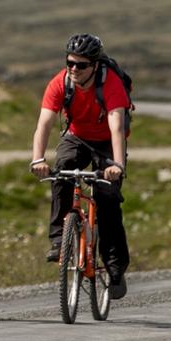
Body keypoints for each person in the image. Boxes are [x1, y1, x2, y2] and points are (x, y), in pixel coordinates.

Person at [30, 33, 130, 299]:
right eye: (70, 62)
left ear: (95, 65)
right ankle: (59, 240)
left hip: (107, 141)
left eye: (81, 65)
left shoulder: (111, 85)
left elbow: (117, 126)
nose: (74, 69)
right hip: (77, 136)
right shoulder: (60, 82)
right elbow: (44, 124)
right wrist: (38, 159)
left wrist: (117, 164)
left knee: (107, 198)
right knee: (61, 169)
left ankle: (114, 268)